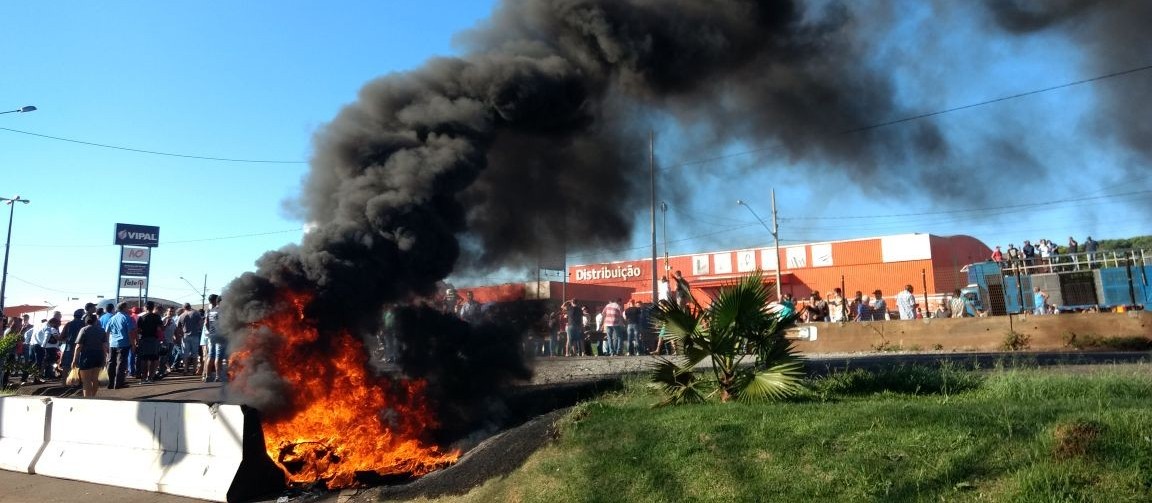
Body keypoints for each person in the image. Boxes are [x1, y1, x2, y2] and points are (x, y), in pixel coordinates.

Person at [71, 314, 108, 398]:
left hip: (87, 356)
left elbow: (79, 346)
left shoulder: (84, 330)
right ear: (96, 321)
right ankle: (93, 396)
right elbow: (104, 345)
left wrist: (74, 359)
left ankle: (88, 399)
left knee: (86, 380)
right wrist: (105, 358)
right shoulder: (102, 330)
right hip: (99, 355)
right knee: (95, 379)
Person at [105, 302, 136, 389]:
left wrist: (107, 343)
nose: (128, 309)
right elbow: (130, 332)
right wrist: (133, 344)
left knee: (111, 363)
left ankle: (110, 383)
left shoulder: (112, 318)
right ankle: (118, 383)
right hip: (123, 343)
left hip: (112, 343)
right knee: (121, 363)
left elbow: (107, 332)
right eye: (127, 307)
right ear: (124, 308)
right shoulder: (126, 318)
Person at [135, 301, 163, 384]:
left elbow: (138, 330)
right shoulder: (157, 317)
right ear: (153, 307)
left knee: (144, 359)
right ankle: (150, 378)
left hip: (144, 339)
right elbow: (159, 329)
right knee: (154, 359)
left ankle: (143, 378)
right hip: (154, 339)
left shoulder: (141, 317)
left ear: (145, 308)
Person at [201, 294, 227, 383]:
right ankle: (218, 376)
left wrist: (211, 331)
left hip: (212, 336)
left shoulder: (211, 311)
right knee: (218, 357)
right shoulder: (222, 311)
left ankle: (207, 376)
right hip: (220, 335)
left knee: (211, 355)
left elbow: (206, 323)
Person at [177, 303, 203, 375]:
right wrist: (197, 328)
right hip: (195, 335)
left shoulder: (181, 315)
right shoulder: (196, 313)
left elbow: (178, 327)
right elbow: (201, 323)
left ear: (184, 308)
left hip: (185, 336)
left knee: (185, 354)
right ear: (190, 307)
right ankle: (194, 370)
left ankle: (185, 370)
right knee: (195, 354)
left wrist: (180, 334)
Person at [59, 309, 85, 378]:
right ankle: (78, 381)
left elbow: (61, 336)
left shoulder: (69, 324)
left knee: (66, 365)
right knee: (79, 364)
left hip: (69, 346)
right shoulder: (84, 324)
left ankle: (64, 382)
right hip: (81, 346)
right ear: (82, 315)